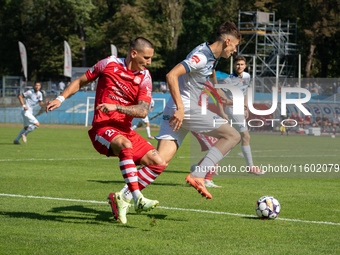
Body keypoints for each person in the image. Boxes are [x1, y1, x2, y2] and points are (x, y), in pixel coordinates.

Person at [46, 37, 166, 224]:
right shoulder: (108, 63)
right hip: (102, 128)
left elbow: (142, 111)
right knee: (125, 145)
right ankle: (137, 198)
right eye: (147, 57)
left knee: (158, 162)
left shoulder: (145, 77)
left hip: (125, 130)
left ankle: (122, 197)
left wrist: (116, 107)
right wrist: (60, 99)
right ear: (134, 54)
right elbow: (80, 81)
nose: (149, 62)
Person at [155, 21, 242, 199]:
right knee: (233, 136)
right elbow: (171, 75)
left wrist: (219, 94)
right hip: (185, 108)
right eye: (234, 46)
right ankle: (198, 175)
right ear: (227, 41)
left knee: (158, 162)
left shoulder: (210, 53)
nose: (234, 51)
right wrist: (181, 108)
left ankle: (123, 195)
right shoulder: (202, 56)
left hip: (177, 108)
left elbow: (207, 73)